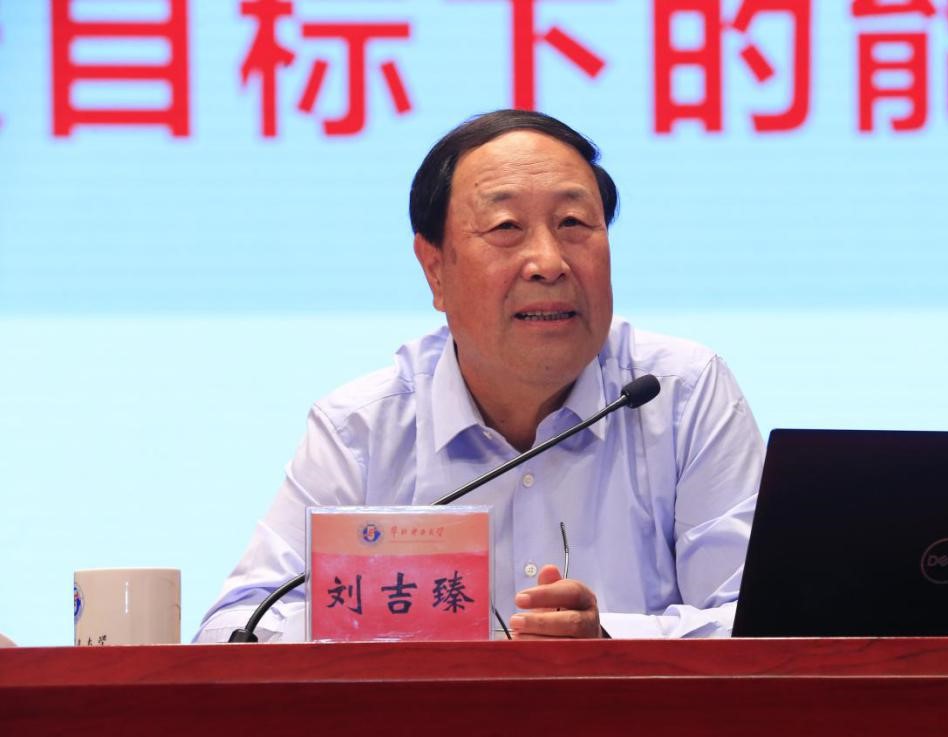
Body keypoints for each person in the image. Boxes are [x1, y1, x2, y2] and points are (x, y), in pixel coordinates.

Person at [194, 110, 764, 642]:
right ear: (435, 270)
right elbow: (236, 630)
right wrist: (392, 637)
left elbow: (765, 622)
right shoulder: (362, 430)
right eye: (506, 227)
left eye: (573, 223)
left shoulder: (681, 395)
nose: (549, 263)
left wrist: (607, 642)